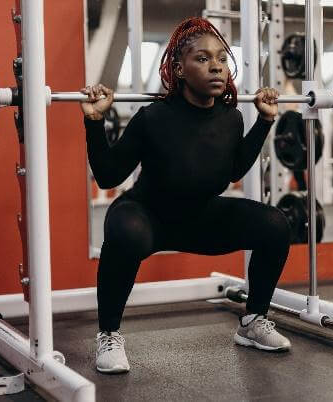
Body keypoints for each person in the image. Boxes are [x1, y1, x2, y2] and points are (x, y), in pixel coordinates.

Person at [81, 17, 292, 374]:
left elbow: (234, 171)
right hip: (149, 215)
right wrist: (94, 122)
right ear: (179, 69)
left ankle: (254, 321)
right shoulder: (153, 117)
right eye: (203, 59)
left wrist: (265, 122)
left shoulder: (230, 118)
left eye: (222, 59)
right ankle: (109, 334)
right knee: (125, 230)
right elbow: (108, 176)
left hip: (201, 218)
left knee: (275, 224)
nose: (216, 66)